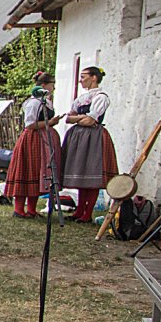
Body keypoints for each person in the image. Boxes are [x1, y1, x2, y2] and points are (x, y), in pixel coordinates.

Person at [60, 65, 118, 223]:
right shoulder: (81, 99)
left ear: (94, 78)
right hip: (79, 137)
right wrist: (81, 118)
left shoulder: (101, 97)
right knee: (81, 172)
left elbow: (91, 121)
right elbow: (68, 118)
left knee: (91, 173)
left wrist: (78, 118)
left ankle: (87, 213)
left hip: (94, 137)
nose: (80, 80)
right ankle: (79, 211)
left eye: (83, 76)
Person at [4, 71, 63, 218]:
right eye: (52, 85)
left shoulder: (45, 101)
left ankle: (31, 209)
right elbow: (30, 124)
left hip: (43, 139)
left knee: (38, 172)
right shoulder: (34, 102)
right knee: (27, 170)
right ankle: (19, 209)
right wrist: (50, 122)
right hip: (32, 140)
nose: (53, 88)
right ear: (43, 85)